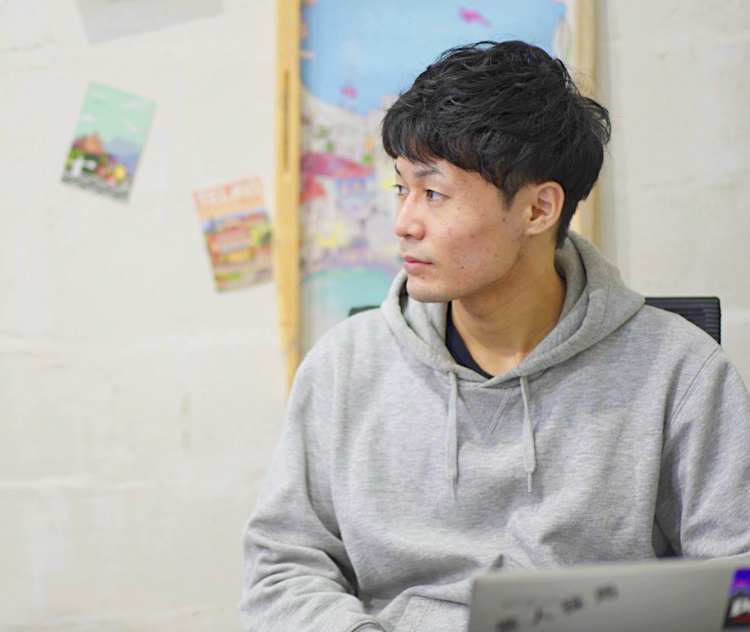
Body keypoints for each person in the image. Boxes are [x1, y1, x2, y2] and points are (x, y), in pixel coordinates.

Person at [240, 41, 750, 632]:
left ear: (538, 210)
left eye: (434, 193)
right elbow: (281, 571)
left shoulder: (681, 373)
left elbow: (737, 587)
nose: (404, 222)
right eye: (401, 188)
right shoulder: (345, 366)